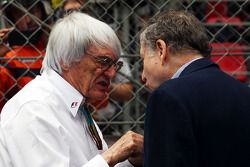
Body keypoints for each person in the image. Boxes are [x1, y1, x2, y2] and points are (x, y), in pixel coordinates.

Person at [1, 12, 143, 167]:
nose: (112, 73)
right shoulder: (35, 109)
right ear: (66, 60)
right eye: (104, 61)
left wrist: (129, 160)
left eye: (116, 64)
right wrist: (111, 156)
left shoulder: (74, 104)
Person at [140, 10, 250, 167]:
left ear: (161, 49)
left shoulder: (167, 96)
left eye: (143, 58)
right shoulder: (245, 94)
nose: (143, 75)